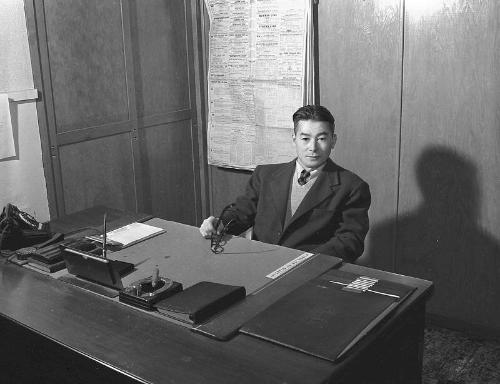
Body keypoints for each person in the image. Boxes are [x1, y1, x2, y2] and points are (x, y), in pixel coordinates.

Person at [200, 105, 371, 262]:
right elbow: (241, 213)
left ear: (333, 141)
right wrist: (220, 223)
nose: (313, 147)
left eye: (321, 139)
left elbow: (350, 241)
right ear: (294, 138)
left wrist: (305, 262)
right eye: (305, 138)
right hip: (260, 264)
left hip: (312, 272)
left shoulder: (352, 186)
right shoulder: (265, 175)